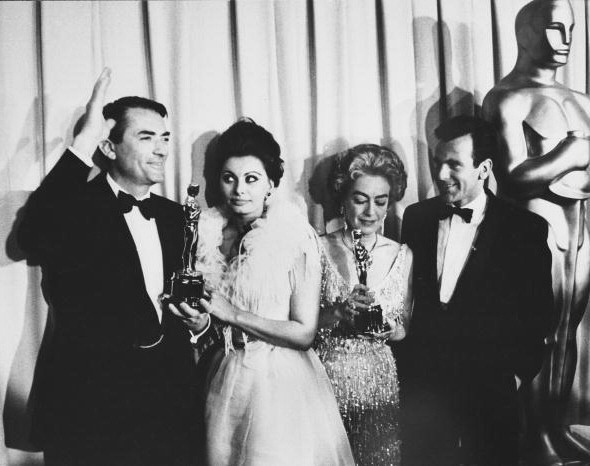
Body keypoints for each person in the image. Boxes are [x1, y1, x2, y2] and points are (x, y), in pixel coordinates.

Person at [17, 69, 209, 466]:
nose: (161, 150)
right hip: (90, 408)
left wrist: (199, 325)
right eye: (146, 137)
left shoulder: (177, 218)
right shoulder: (74, 207)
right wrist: (83, 141)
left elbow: (187, 303)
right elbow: (29, 238)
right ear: (108, 146)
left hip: (168, 407)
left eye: (165, 138)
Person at [176, 118, 354, 466]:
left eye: (251, 179)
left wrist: (234, 315)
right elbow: (212, 322)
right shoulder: (207, 234)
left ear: (271, 184)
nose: (239, 190)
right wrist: (200, 324)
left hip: (280, 384)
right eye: (229, 178)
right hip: (225, 375)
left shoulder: (295, 237)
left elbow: (304, 332)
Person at [398, 115, 554, 466]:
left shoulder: (525, 229)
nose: (440, 175)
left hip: (491, 394)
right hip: (425, 395)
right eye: (438, 163)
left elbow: (539, 313)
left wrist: (515, 376)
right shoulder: (417, 218)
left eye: (453, 164)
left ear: (483, 168)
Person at [482, 0, 590, 462]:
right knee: (538, 333)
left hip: (580, 229)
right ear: (524, 34)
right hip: (534, 232)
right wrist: (568, 157)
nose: (565, 40)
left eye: (570, 29)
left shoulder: (581, 100)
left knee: (570, 330)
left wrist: (567, 166)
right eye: (553, 29)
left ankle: (556, 423)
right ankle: (533, 433)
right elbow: (509, 176)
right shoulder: (506, 98)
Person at [314, 144, 413, 466]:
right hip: (325, 381)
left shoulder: (403, 255)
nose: (370, 211)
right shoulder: (317, 248)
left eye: (380, 201)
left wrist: (390, 327)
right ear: (343, 199)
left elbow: (405, 329)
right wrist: (338, 312)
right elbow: (300, 324)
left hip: (380, 383)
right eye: (360, 199)